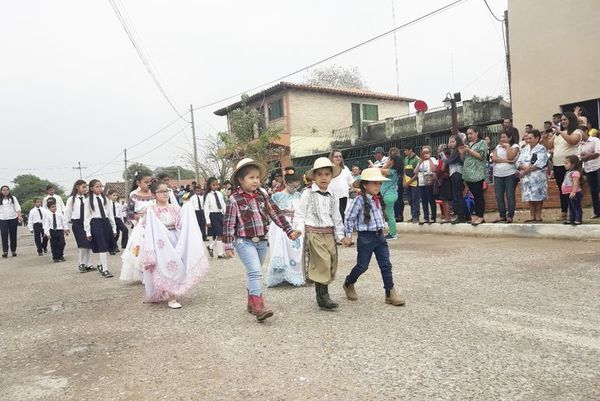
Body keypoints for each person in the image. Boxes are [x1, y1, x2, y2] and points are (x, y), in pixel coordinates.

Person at [223, 158, 300, 322]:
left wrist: (289, 231)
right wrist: (228, 244)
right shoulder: (234, 200)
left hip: (261, 241)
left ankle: (251, 303)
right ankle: (259, 307)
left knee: (254, 273)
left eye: (257, 177)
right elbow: (229, 223)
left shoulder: (263, 195)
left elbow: (276, 214)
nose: (256, 181)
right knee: (255, 272)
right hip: (244, 242)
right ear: (240, 180)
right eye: (251, 177)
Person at [341, 167, 405, 306]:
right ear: (365, 184)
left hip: (379, 237)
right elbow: (349, 218)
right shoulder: (359, 200)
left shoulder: (378, 199)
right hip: (365, 238)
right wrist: (348, 236)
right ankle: (349, 282)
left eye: (379, 183)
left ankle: (390, 293)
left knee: (386, 265)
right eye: (375, 183)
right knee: (363, 266)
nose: (378, 186)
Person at [140, 181, 209, 309]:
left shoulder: (175, 208)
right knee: (162, 266)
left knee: (174, 266)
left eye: (166, 191)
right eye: (161, 192)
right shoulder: (151, 210)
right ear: (154, 194)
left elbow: (181, 223)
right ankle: (161, 294)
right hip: (160, 242)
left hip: (174, 239)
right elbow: (146, 226)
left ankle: (172, 297)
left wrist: (187, 210)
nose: (165, 194)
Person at [295, 157, 344, 310]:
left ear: (331, 176)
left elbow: (336, 216)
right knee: (322, 260)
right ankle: (323, 296)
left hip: (328, 232)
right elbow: (300, 214)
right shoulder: (307, 194)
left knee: (331, 261)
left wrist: (340, 235)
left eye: (327, 174)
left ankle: (322, 292)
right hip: (313, 231)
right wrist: (298, 229)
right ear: (314, 177)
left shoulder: (333, 195)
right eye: (320, 174)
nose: (323, 178)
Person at [541, 112, 583, 222]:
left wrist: (560, 132)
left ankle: (575, 214)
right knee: (563, 189)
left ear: (571, 120)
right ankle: (564, 212)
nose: (563, 122)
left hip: (571, 166)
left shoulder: (577, 131)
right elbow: (550, 145)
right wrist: (545, 139)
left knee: (573, 189)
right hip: (558, 164)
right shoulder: (558, 134)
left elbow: (572, 141)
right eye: (562, 120)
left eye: (565, 120)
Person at [266, 171, 304, 287]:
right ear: (286, 183)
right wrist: (285, 211)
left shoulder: (298, 195)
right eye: (293, 186)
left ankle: (295, 273)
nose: (295, 189)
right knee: (281, 248)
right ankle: (281, 274)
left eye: (297, 187)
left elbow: (302, 209)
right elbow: (272, 211)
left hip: (295, 223)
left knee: (295, 249)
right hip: (281, 225)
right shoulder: (277, 196)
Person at [120, 172, 155, 282]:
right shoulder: (133, 195)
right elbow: (129, 212)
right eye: (146, 182)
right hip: (141, 226)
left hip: (154, 224)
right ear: (138, 183)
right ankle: (142, 273)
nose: (148, 184)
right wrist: (137, 217)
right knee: (140, 248)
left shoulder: (154, 193)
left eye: (150, 182)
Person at [84, 179, 117, 278]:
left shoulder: (106, 199)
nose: (99, 188)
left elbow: (110, 214)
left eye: (100, 186)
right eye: (97, 187)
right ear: (91, 188)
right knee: (102, 246)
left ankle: (100, 264)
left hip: (105, 222)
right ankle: (105, 269)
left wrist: (114, 228)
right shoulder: (88, 200)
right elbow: (86, 217)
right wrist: (88, 232)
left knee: (106, 245)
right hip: (95, 223)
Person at [516, 130, 548, 222]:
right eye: (527, 138)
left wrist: (525, 171)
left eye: (530, 138)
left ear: (537, 138)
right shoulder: (524, 148)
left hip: (537, 177)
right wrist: (523, 168)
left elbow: (540, 163)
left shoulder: (541, 148)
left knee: (538, 197)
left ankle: (538, 216)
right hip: (527, 178)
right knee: (530, 196)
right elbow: (518, 162)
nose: (528, 140)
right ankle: (532, 216)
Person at [460, 126, 489, 226]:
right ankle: (476, 214)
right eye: (468, 134)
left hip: (477, 173)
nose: (469, 136)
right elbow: (463, 158)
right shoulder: (468, 144)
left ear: (476, 133)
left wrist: (469, 151)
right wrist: (463, 153)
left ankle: (480, 216)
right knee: (474, 195)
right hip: (468, 174)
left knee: (479, 195)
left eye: (471, 133)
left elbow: (481, 156)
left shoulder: (482, 143)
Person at [491, 131, 520, 223]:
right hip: (498, 174)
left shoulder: (515, 146)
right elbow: (494, 159)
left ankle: (510, 216)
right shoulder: (498, 147)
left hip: (510, 174)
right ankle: (502, 215)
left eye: (504, 137)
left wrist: (507, 147)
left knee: (510, 195)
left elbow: (511, 157)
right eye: (501, 137)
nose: (502, 139)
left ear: (510, 137)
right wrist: (505, 160)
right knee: (499, 196)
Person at [64, 180, 93, 273]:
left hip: (87, 223)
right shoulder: (71, 199)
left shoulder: (87, 198)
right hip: (77, 223)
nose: (85, 189)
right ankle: (81, 263)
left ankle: (88, 264)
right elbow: (67, 213)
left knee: (89, 244)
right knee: (82, 245)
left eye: (86, 187)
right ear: (77, 187)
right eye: (83, 187)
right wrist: (66, 226)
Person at [443, 135, 469, 224]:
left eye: (453, 141)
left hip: (457, 173)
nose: (450, 143)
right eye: (449, 141)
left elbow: (448, 162)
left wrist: (442, 154)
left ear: (457, 142)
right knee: (458, 195)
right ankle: (466, 215)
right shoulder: (453, 151)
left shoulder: (458, 150)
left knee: (458, 196)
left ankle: (461, 216)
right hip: (454, 174)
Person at [578, 125, 600, 218]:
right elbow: (579, 157)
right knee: (593, 191)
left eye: (580, 132)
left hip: (598, 166)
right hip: (588, 169)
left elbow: (597, 153)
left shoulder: (595, 140)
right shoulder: (580, 144)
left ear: (586, 131)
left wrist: (586, 156)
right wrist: (589, 155)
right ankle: (597, 212)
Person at [379, 147, 402, 238]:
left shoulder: (392, 171)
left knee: (390, 215)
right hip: (390, 195)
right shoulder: (394, 171)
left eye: (390, 160)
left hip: (388, 195)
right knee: (389, 215)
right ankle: (392, 232)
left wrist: (388, 163)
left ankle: (393, 234)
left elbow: (379, 171)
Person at [412, 146, 437, 224]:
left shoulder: (432, 159)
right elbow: (415, 172)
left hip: (429, 182)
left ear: (430, 153)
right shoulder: (421, 161)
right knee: (424, 200)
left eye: (427, 153)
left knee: (431, 200)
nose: (425, 154)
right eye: (424, 153)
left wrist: (429, 159)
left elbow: (434, 169)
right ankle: (426, 217)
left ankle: (433, 217)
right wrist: (420, 162)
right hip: (422, 182)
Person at [328, 149, 353, 224]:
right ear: (332, 158)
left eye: (340, 156)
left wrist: (359, 189)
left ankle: (342, 233)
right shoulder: (328, 169)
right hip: (332, 196)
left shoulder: (345, 168)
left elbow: (351, 182)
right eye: (336, 156)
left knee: (342, 215)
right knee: (334, 216)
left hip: (343, 196)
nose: (338, 158)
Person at [204, 177, 226, 259]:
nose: (215, 186)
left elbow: (223, 203)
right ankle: (220, 254)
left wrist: (225, 213)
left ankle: (211, 246)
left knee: (222, 234)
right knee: (219, 234)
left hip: (220, 214)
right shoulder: (208, 195)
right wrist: (207, 220)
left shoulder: (219, 193)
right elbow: (206, 208)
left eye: (217, 184)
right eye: (213, 185)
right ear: (209, 186)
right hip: (213, 215)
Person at [0, 185, 22, 258]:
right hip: (3, 219)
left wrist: (19, 216)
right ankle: (5, 251)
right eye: (4, 190)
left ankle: (13, 250)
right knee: (4, 233)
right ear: (1, 191)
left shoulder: (13, 198)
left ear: (9, 191)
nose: (5, 191)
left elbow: (17, 207)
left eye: (7, 190)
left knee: (13, 234)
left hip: (13, 218)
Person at [562, 155, 583, 225]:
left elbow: (575, 183)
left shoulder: (575, 173)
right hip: (568, 193)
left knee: (576, 206)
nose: (564, 165)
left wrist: (573, 191)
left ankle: (578, 219)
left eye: (566, 163)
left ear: (573, 164)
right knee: (570, 207)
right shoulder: (567, 172)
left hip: (575, 193)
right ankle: (571, 219)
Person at [435, 144, 453, 224]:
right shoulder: (440, 157)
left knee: (445, 200)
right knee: (443, 200)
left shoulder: (446, 156)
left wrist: (437, 170)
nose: (438, 150)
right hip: (441, 179)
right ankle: (445, 216)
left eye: (440, 148)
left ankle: (447, 217)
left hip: (445, 179)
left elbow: (443, 168)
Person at [402, 145, 420, 223]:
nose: (404, 152)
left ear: (410, 150)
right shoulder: (405, 159)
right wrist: (404, 181)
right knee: (410, 200)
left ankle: (416, 216)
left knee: (415, 199)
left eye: (406, 150)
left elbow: (417, 174)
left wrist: (409, 182)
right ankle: (413, 216)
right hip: (407, 184)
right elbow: (404, 171)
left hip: (415, 183)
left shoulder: (417, 159)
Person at [107, 190, 128, 254]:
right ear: (109, 196)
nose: (115, 197)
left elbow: (120, 213)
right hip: (110, 219)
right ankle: (113, 248)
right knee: (115, 234)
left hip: (117, 219)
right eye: (114, 195)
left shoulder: (118, 204)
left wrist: (122, 221)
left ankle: (124, 245)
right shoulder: (107, 204)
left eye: (116, 195)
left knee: (125, 230)